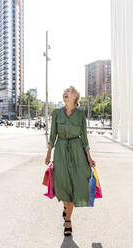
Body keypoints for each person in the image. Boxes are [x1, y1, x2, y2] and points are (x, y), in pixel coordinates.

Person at [45, 86, 96, 237]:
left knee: (76, 183)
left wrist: (89, 158)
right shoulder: (56, 113)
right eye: (64, 91)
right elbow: (53, 135)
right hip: (60, 150)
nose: (65, 93)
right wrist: (48, 154)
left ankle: (68, 220)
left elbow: (84, 138)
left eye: (69, 91)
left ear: (75, 97)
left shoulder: (80, 115)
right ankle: (66, 207)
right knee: (62, 184)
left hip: (77, 151)